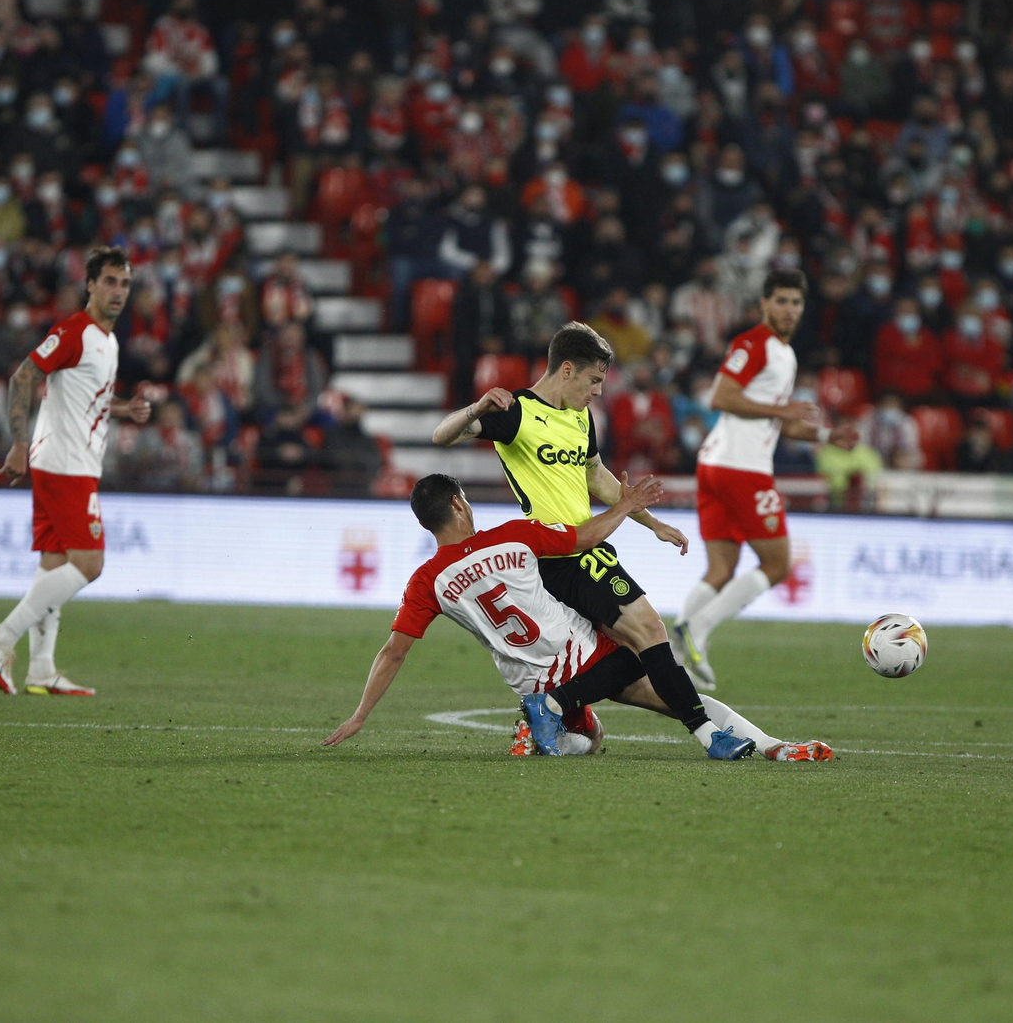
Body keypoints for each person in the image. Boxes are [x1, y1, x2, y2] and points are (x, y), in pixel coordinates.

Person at [322, 474, 831, 761]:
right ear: (459, 504)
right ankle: (768, 747)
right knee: (650, 650)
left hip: (526, 676)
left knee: (597, 737)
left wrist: (361, 714)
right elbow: (586, 537)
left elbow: (394, 650)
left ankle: (544, 726)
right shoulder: (512, 536)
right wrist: (628, 506)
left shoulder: (425, 581)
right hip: (580, 654)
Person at [431, 324, 748, 760]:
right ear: (567, 369)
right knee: (652, 630)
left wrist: (651, 523)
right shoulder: (518, 413)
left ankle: (555, 704)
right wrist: (474, 409)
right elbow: (441, 436)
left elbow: (597, 477)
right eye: (594, 380)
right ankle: (711, 737)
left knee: (635, 655)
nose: (598, 391)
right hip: (561, 552)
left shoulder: (581, 417)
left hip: (591, 548)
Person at [0, 247, 152, 697]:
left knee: (54, 563)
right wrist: (17, 442)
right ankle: (1, 638)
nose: (118, 291)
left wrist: (123, 408)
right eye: (109, 281)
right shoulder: (74, 331)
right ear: (90, 284)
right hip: (64, 463)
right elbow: (23, 376)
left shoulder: (107, 342)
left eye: (125, 283)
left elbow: (86, 394)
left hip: (74, 462)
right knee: (90, 564)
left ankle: (41, 669)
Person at [673, 270, 860, 688]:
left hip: (716, 465)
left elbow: (777, 423)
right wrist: (782, 411)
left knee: (722, 568)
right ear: (764, 304)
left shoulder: (784, 355)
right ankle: (698, 628)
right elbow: (722, 397)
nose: (789, 309)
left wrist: (828, 436)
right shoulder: (754, 344)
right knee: (777, 564)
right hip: (742, 469)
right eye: (781, 301)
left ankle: (674, 652)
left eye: (796, 302)